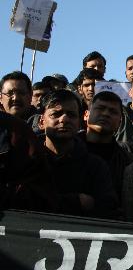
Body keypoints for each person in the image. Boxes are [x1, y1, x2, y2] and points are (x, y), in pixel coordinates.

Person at [38, 90, 118, 218]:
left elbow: (107, 209)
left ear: (79, 122)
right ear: (41, 122)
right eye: (56, 114)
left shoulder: (96, 166)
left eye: (71, 115)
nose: (64, 119)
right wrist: (76, 201)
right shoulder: (26, 160)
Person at [84, 91, 133, 204]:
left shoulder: (128, 162)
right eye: (100, 108)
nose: (106, 114)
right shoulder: (67, 149)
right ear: (86, 115)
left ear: (119, 122)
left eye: (113, 111)